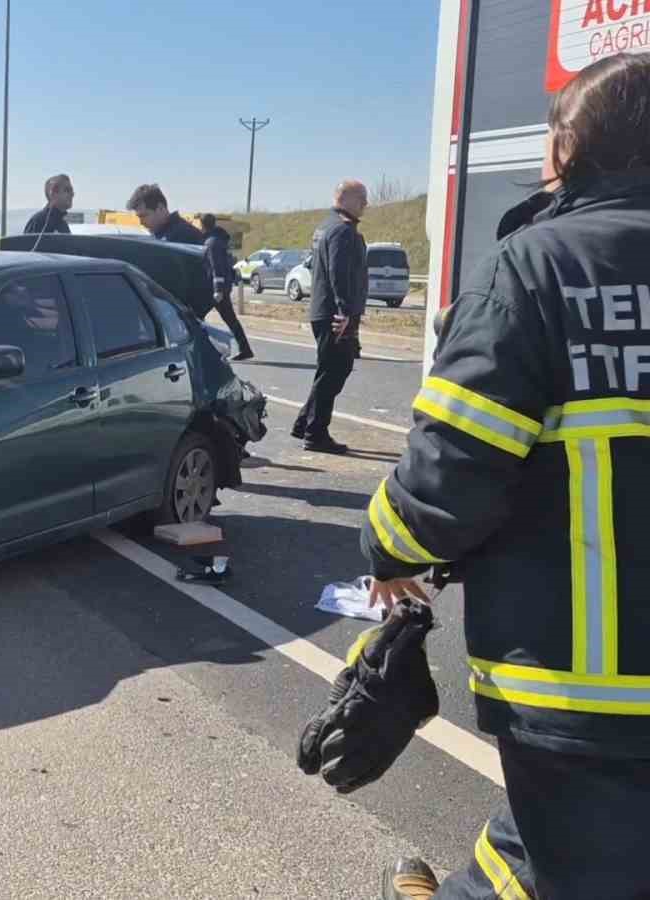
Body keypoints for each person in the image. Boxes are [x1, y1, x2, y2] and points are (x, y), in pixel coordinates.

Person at [367, 54, 650, 900]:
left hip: (587, 689)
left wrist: (387, 548)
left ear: (568, 146)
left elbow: (452, 468)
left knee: (566, 865)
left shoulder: (534, 269)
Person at [291, 179, 369, 454]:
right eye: (361, 198)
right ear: (344, 198)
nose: (366, 203)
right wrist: (344, 310)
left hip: (324, 310)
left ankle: (305, 423)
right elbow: (338, 271)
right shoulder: (342, 230)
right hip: (335, 314)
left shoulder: (326, 225)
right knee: (335, 371)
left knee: (330, 370)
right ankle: (315, 433)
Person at [200, 213, 253, 361]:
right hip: (223, 286)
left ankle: (207, 351)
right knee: (230, 319)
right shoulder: (219, 240)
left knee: (196, 317)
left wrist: (218, 289)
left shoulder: (211, 243)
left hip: (215, 289)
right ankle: (245, 349)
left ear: (203, 225)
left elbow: (216, 267)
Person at [126, 183, 203, 244]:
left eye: (144, 216)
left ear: (160, 208)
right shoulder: (161, 235)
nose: (141, 222)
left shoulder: (184, 235)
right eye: (139, 217)